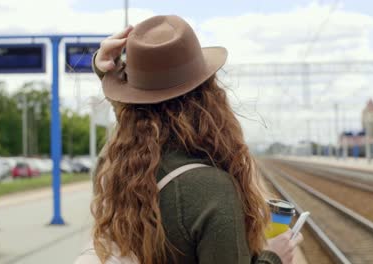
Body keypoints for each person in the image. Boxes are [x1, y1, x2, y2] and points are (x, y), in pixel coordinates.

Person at [88, 15, 303, 264]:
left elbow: (132, 119)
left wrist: (106, 74)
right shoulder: (212, 191)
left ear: (131, 101)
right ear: (210, 95)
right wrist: (273, 258)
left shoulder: (113, 168)